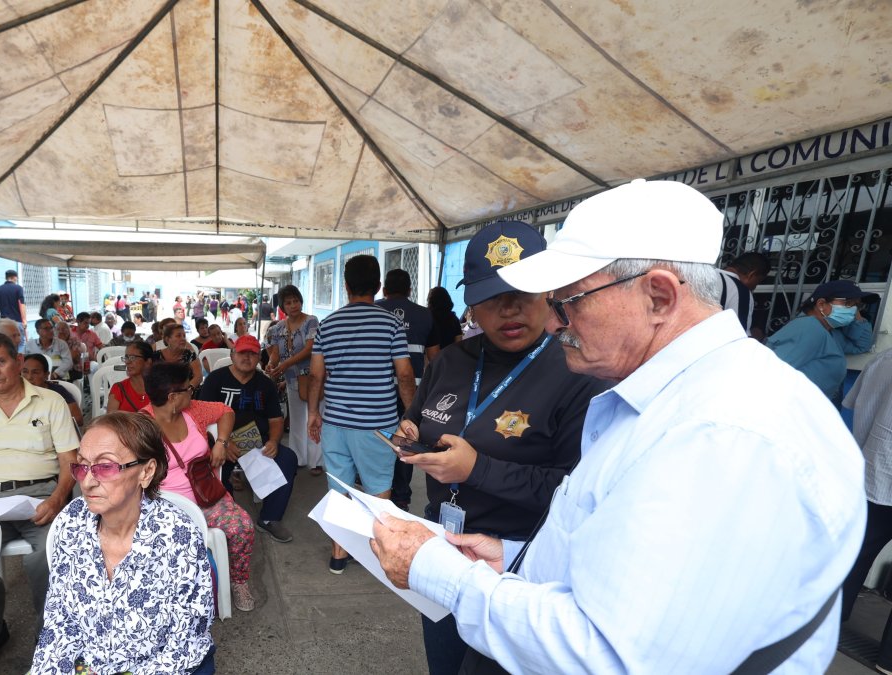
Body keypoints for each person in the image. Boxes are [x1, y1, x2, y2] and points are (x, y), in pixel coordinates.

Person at [370, 178, 865, 673]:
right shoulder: (674, 401)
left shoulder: (722, 435)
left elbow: (611, 655)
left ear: (659, 296)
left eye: (569, 301)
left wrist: (439, 572)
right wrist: (516, 558)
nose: (554, 323)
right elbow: (617, 563)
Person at [398, 222, 606, 674]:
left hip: (519, 559)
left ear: (549, 292)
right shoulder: (450, 361)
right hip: (443, 541)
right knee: (444, 662)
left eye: (523, 292)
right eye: (493, 297)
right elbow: (419, 417)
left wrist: (477, 469)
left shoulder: (577, 372)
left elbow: (577, 493)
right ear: (472, 304)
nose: (509, 310)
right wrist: (411, 436)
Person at [32, 412, 215, 675]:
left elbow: (184, 643)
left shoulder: (177, 535)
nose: (87, 482)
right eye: (82, 465)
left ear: (146, 471)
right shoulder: (71, 522)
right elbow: (59, 621)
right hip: (88, 665)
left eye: (105, 466)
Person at [0, 332, 80, 618]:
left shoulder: (50, 401)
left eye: (0, 362)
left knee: (51, 554)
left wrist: (57, 499)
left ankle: (51, 632)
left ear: (18, 361)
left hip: (41, 498)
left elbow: (70, 460)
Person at [308, 254, 415, 573]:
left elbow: (316, 375)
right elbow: (404, 375)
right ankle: (377, 552)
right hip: (377, 425)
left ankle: (338, 555)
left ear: (345, 286)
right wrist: (411, 416)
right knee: (378, 489)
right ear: (378, 286)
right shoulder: (391, 324)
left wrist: (313, 412)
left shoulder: (328, 324)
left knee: (338, 487)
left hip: (336, 423)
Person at [141, 362, 257, 612]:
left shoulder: (193, 411)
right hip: (165, 507)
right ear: (172, 397)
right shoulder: (141, 427)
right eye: (188, 389)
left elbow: (226, 411)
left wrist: (221, 443)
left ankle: (238, 581)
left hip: (206, 497)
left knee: (242, 527)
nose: (192, 392)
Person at [198, 335, 298, 544]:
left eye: (252, 354)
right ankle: (227, 520)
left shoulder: (265, 384)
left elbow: (276, 419)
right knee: (213, 466)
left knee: (287, 458)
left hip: (257, 444)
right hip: (222, 442)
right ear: (232, 354)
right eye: (242, 352)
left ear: (259, 358)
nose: (247, 357)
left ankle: (269, 518)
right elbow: (202, 418)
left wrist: (273, 441)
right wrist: (223, 442)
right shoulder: (215, 379)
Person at [841, 346, 892, 673]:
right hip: (878, 474)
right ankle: (888, 659)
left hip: (878, 475)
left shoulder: (886, 360)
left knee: (854, 553)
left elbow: (861, 412)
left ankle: (825, 622)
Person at [376, 268, 439, 510]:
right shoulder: (425, 315)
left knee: (378, 439)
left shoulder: (375, 311)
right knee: (405, 440)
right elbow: (435, 359)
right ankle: (401, 497)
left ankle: (378, 490)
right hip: (413, 390)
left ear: (384, 289)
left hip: (378, 391)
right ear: (410, 290)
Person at [766, 279, 875, 403]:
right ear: (821, 304)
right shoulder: (808, 328)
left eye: (858, 306)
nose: (854, 310)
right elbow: (772, 374)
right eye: (848, 303)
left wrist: (857, 316)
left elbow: (862, 345)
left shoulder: (831, 332)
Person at [266, 285, 323, 475]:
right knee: (297, 420)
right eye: (288, 302)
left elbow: (309, 349)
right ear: (283, 307)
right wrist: (271, 365)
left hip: (313, 378)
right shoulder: (277, 328)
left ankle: (316, 462)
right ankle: (298, 458)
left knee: (316, 418)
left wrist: (284, 364)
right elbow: (275, 353)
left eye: (296, 301)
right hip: (291, 379)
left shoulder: (311, 321)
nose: (293, 305)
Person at [22, 354, 81, 433]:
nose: (29, 377)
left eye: (35, 372)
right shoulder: (16, 392)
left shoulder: (57, 391)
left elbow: (78, 419)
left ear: (46, 375)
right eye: (25, 371)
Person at [717, 251, 771, 337]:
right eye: (757, 282)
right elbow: (738, 337)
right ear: (752, 274)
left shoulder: (704, 276)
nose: (754, 287)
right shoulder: (741, 291)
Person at [107, 342, 154, 413]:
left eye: (133, 358)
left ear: (148, 361)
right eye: (126, 358)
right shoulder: (119, 388)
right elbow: (110, 419)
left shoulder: (161, 388)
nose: (127, 362)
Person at [0, 269, 27, 351]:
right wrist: (24, 320)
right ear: (14, 277)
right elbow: (22, 304)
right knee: (21, 343)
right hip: (17, 321)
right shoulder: (18, 288)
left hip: (4, 323)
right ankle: (19, 357)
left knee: (5, 343)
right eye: (16, 278)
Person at [427, 286, 464, 351]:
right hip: (449, 355)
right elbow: (459, 343)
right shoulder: (454, 319)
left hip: (432, 356)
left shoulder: (428, 318)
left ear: (431, 301)